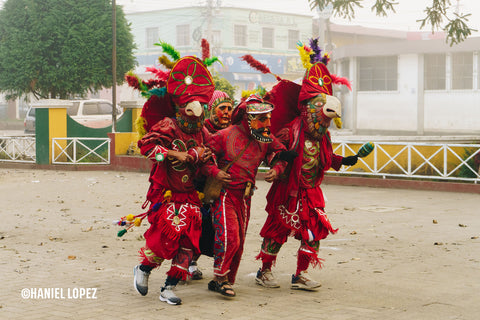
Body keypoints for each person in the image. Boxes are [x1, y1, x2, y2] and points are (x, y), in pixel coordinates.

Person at [245, 39, 358, 291]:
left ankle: (301, 275)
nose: (322, 116)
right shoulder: (290, 132)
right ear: (306, 108)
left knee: (315, 232)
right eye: (318, 106)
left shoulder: (323, 137)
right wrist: (275, 169)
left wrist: (344, 160)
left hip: (310, 191)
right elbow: (279, 154)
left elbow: (325, 159)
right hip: (288, 191)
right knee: (276, 231)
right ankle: (264, 271)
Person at [131, 41, 229, 305]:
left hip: (191, 197)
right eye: (192, 113)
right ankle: (144, 268)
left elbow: (206, 158)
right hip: (169, 195)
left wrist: (214, 172)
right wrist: (177, 155)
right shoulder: (169, 126)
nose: (196, 120)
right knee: (166, 240)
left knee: (190, 244)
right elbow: (147, 147)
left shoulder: (201, 132)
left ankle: (169, 287)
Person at [201, 94, 290, 298]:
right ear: (248, 119)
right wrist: (215, 172)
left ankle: (223, 280)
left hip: (245, 197)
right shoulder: (224, 135)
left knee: (239, 241)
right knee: (230, 237)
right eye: (262, 118)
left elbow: (280, 154)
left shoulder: (264, 139)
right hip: (224, 194)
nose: (268, 123)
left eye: (268, 118)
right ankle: (221, 278)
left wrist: (276, 169)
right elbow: (204, 159)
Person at [189, 90, 234, 280]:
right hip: (198, 187)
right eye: (221, 108)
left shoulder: (234, 131)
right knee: (195, 225)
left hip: (223, 189)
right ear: (212, 110)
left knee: (214, 228)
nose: (226, 112)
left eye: (230, 108)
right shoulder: (200, 129)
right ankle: (188, 262)